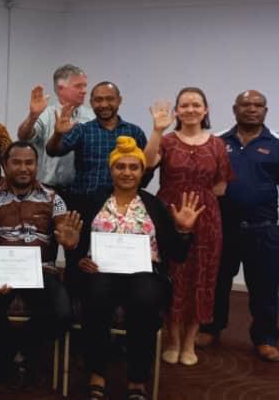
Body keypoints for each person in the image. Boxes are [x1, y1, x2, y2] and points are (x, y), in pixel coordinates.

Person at [70, 137, 204, 400]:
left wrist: (183, 230)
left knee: (144, 299)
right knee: (96, 297)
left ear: (143, 172)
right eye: (120, 167)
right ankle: (96, 372)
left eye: (134, 167)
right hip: (101, 272)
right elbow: (76, 244)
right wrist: (77, 258)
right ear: (111, 170)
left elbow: (177, 254)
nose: (127, 172)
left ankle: (137, 378)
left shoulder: (154, 206)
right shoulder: (93, 201)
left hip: (144, 274)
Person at [198, 90, 279, 362]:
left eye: (257, 105)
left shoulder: (278, 144)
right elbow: (207, 185)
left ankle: (265, 338)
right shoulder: (217, 141)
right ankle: (210, 328)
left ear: (266, 110)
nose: (251, 109)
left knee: (264, 287)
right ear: (234, 109)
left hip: (263, 229)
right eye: (245, 105)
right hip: (223, 228)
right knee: (216, 283)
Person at [0, 141, 80, 385]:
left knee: (63, 313)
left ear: (36, 165)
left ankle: (16, 349)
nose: (24, 168)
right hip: (1, 270)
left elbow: (65, 231)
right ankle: (16, 352)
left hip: (41, 272)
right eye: (17, 162)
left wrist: (70, 242)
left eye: (29, 163)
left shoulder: (53, 198)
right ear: (4, 165)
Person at [143, 87, 232, 367]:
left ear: (205, 110)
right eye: (185, 105)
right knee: (172, 273)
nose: (191, 109)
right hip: (168, 215)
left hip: (206, 218)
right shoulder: (167, 141)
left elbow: (221, 185)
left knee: (201, 278)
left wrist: (197, 202)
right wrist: (157, 130)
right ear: (177, 111)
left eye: (196, 105)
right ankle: (173, 339)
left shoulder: (217, 144)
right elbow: (146, 163)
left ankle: (190, 341)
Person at [45, 81, 148, 203]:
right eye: (98, 100)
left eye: (110, 99)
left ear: (119, 100)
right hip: (84, 202)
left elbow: (146, 167)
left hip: (123, 204)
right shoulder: (82, 130)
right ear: (91, 102)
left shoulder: (134, 132)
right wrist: (57, 134)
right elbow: (53, 151)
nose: (104, 104)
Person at [17, 64, 95, 197]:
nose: (84, 91)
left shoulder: (91, 116)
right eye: (78, 86)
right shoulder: (46, 114)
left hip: (83, 190)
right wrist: (33, 116)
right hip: (49, 190)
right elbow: (24, 138)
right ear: (60, 89)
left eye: (85, 86)